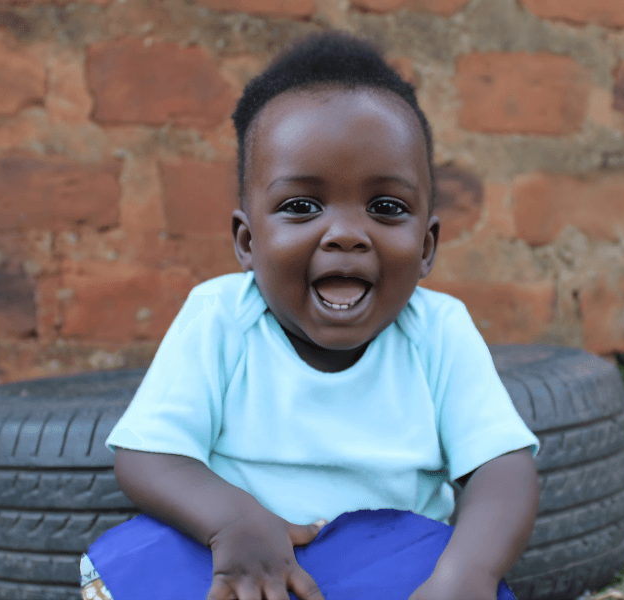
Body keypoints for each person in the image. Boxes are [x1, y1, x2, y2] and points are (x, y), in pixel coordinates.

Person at [81, 31, 541, 600]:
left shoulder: (439, 331)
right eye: (301, 207)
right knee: (131, 563)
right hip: (241, 555)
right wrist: (232, 522)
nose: (346, 233)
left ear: (426, 246)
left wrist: (465, 575)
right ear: (247, 241)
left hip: (389, 562)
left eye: (386, 207)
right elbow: (149, 454)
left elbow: (502, 471)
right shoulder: (221, 316)